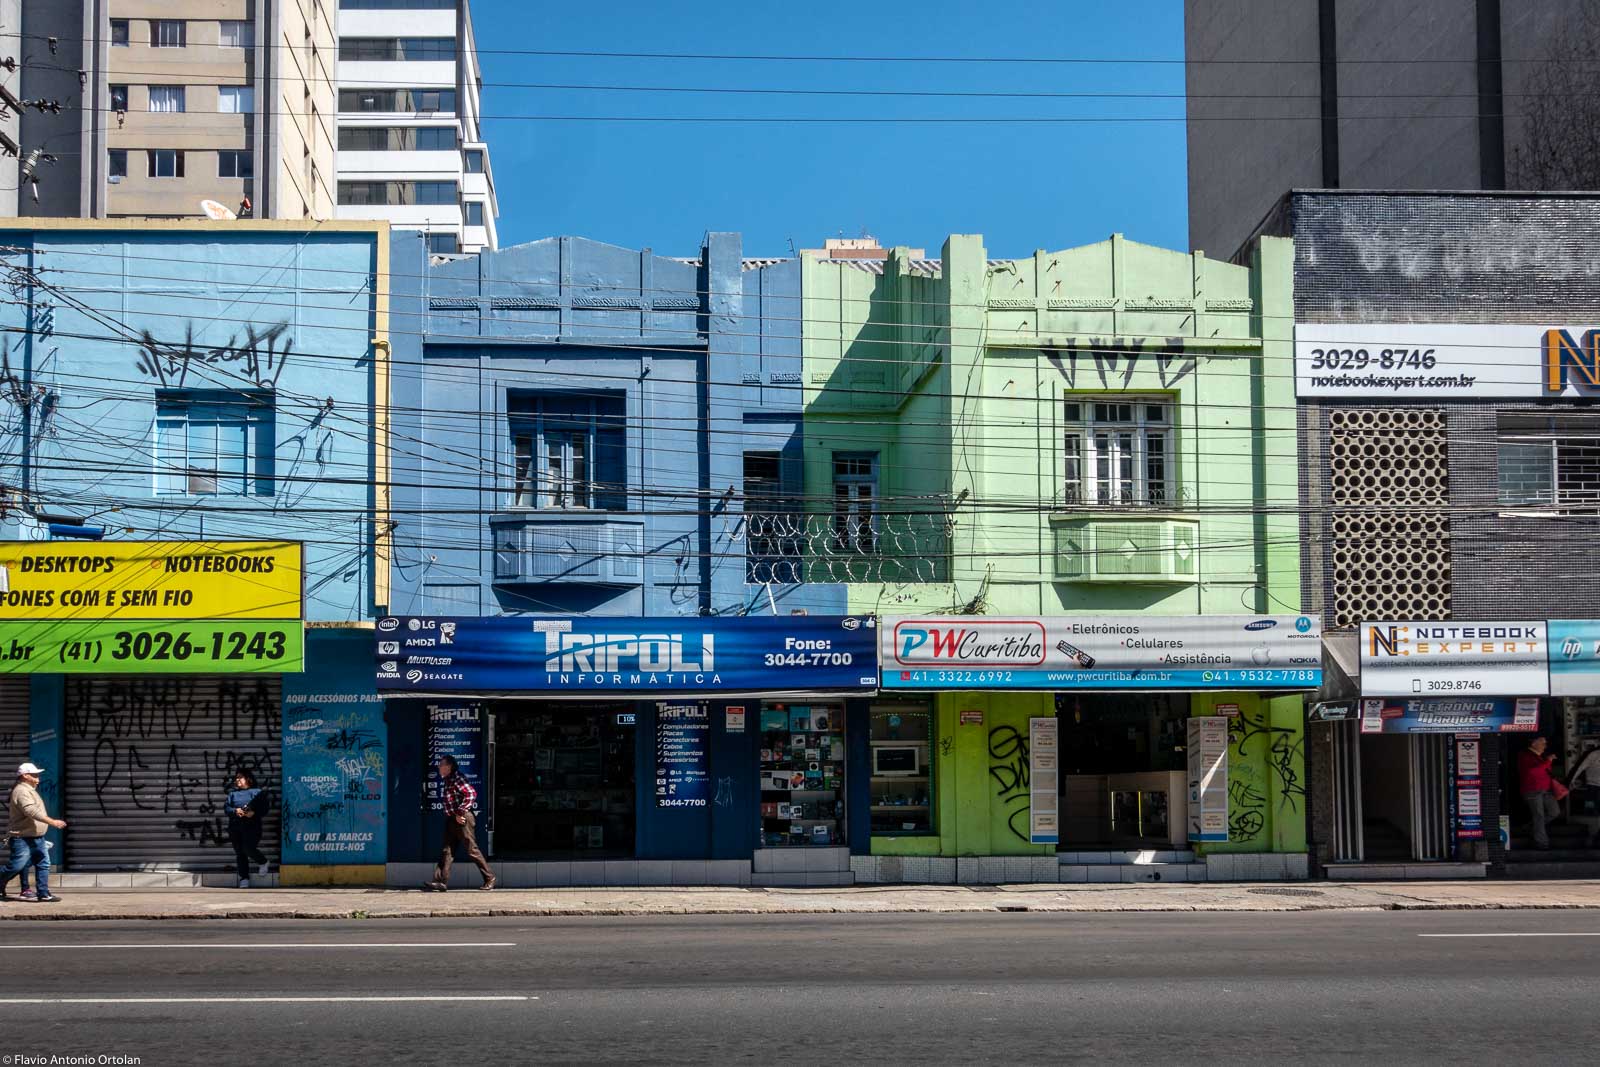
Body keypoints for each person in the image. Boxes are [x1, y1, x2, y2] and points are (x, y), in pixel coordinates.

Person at [426, 755, 493, 892]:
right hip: (452, 819)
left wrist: (460, 813)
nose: (439, 767)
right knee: (447, 850)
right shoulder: (448, 780)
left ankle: (490, 878)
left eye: (441, 764)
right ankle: (440, 881)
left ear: (449, 766)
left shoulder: (457, 778)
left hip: (462, 819)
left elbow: (471, 794)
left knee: (471, 849)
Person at [1, 762, 66, 902]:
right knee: (16, 866)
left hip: (36, 837)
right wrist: (52, 822)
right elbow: (30, 811)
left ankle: (43, 893)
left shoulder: (30, 789)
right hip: (22, 838)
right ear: (25, 776)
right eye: (34, 774)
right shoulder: (21, 791)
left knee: (43, 864)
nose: (38, 776)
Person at [225, 770, 272, 889]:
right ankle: (244, 878)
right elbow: (226, 808)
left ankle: (263, 862)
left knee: (248, 848)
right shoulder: (232, 794)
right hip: (235, 827)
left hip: (252, 827)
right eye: (236, 778)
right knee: (240, 853)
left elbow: (265, 809)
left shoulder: (257, 792)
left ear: (248, 779)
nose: (237, 780)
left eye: (240, 778)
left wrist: (253, 813)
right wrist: (235, 811)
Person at [1518, 736, 1561, 850]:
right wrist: (1548, 761)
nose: (1545, 746)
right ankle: (1542, 843)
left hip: (1546, 790)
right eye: (1542, 743)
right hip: (1533, 791)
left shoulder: (1540, 757)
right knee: (1539, 816)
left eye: (1545, 743)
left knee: (1554, 812)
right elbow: (1533, 771)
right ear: (1533, 743)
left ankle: (1530, 827)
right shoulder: (1525, 755)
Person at [1568, 745, 1600, 847]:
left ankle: (1595, 837)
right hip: (1595, 787)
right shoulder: (1594, 754)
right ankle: (1594, 838)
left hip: (1595, 787)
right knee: (1596, 812)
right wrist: (1572, 781)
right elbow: (1580, 767)